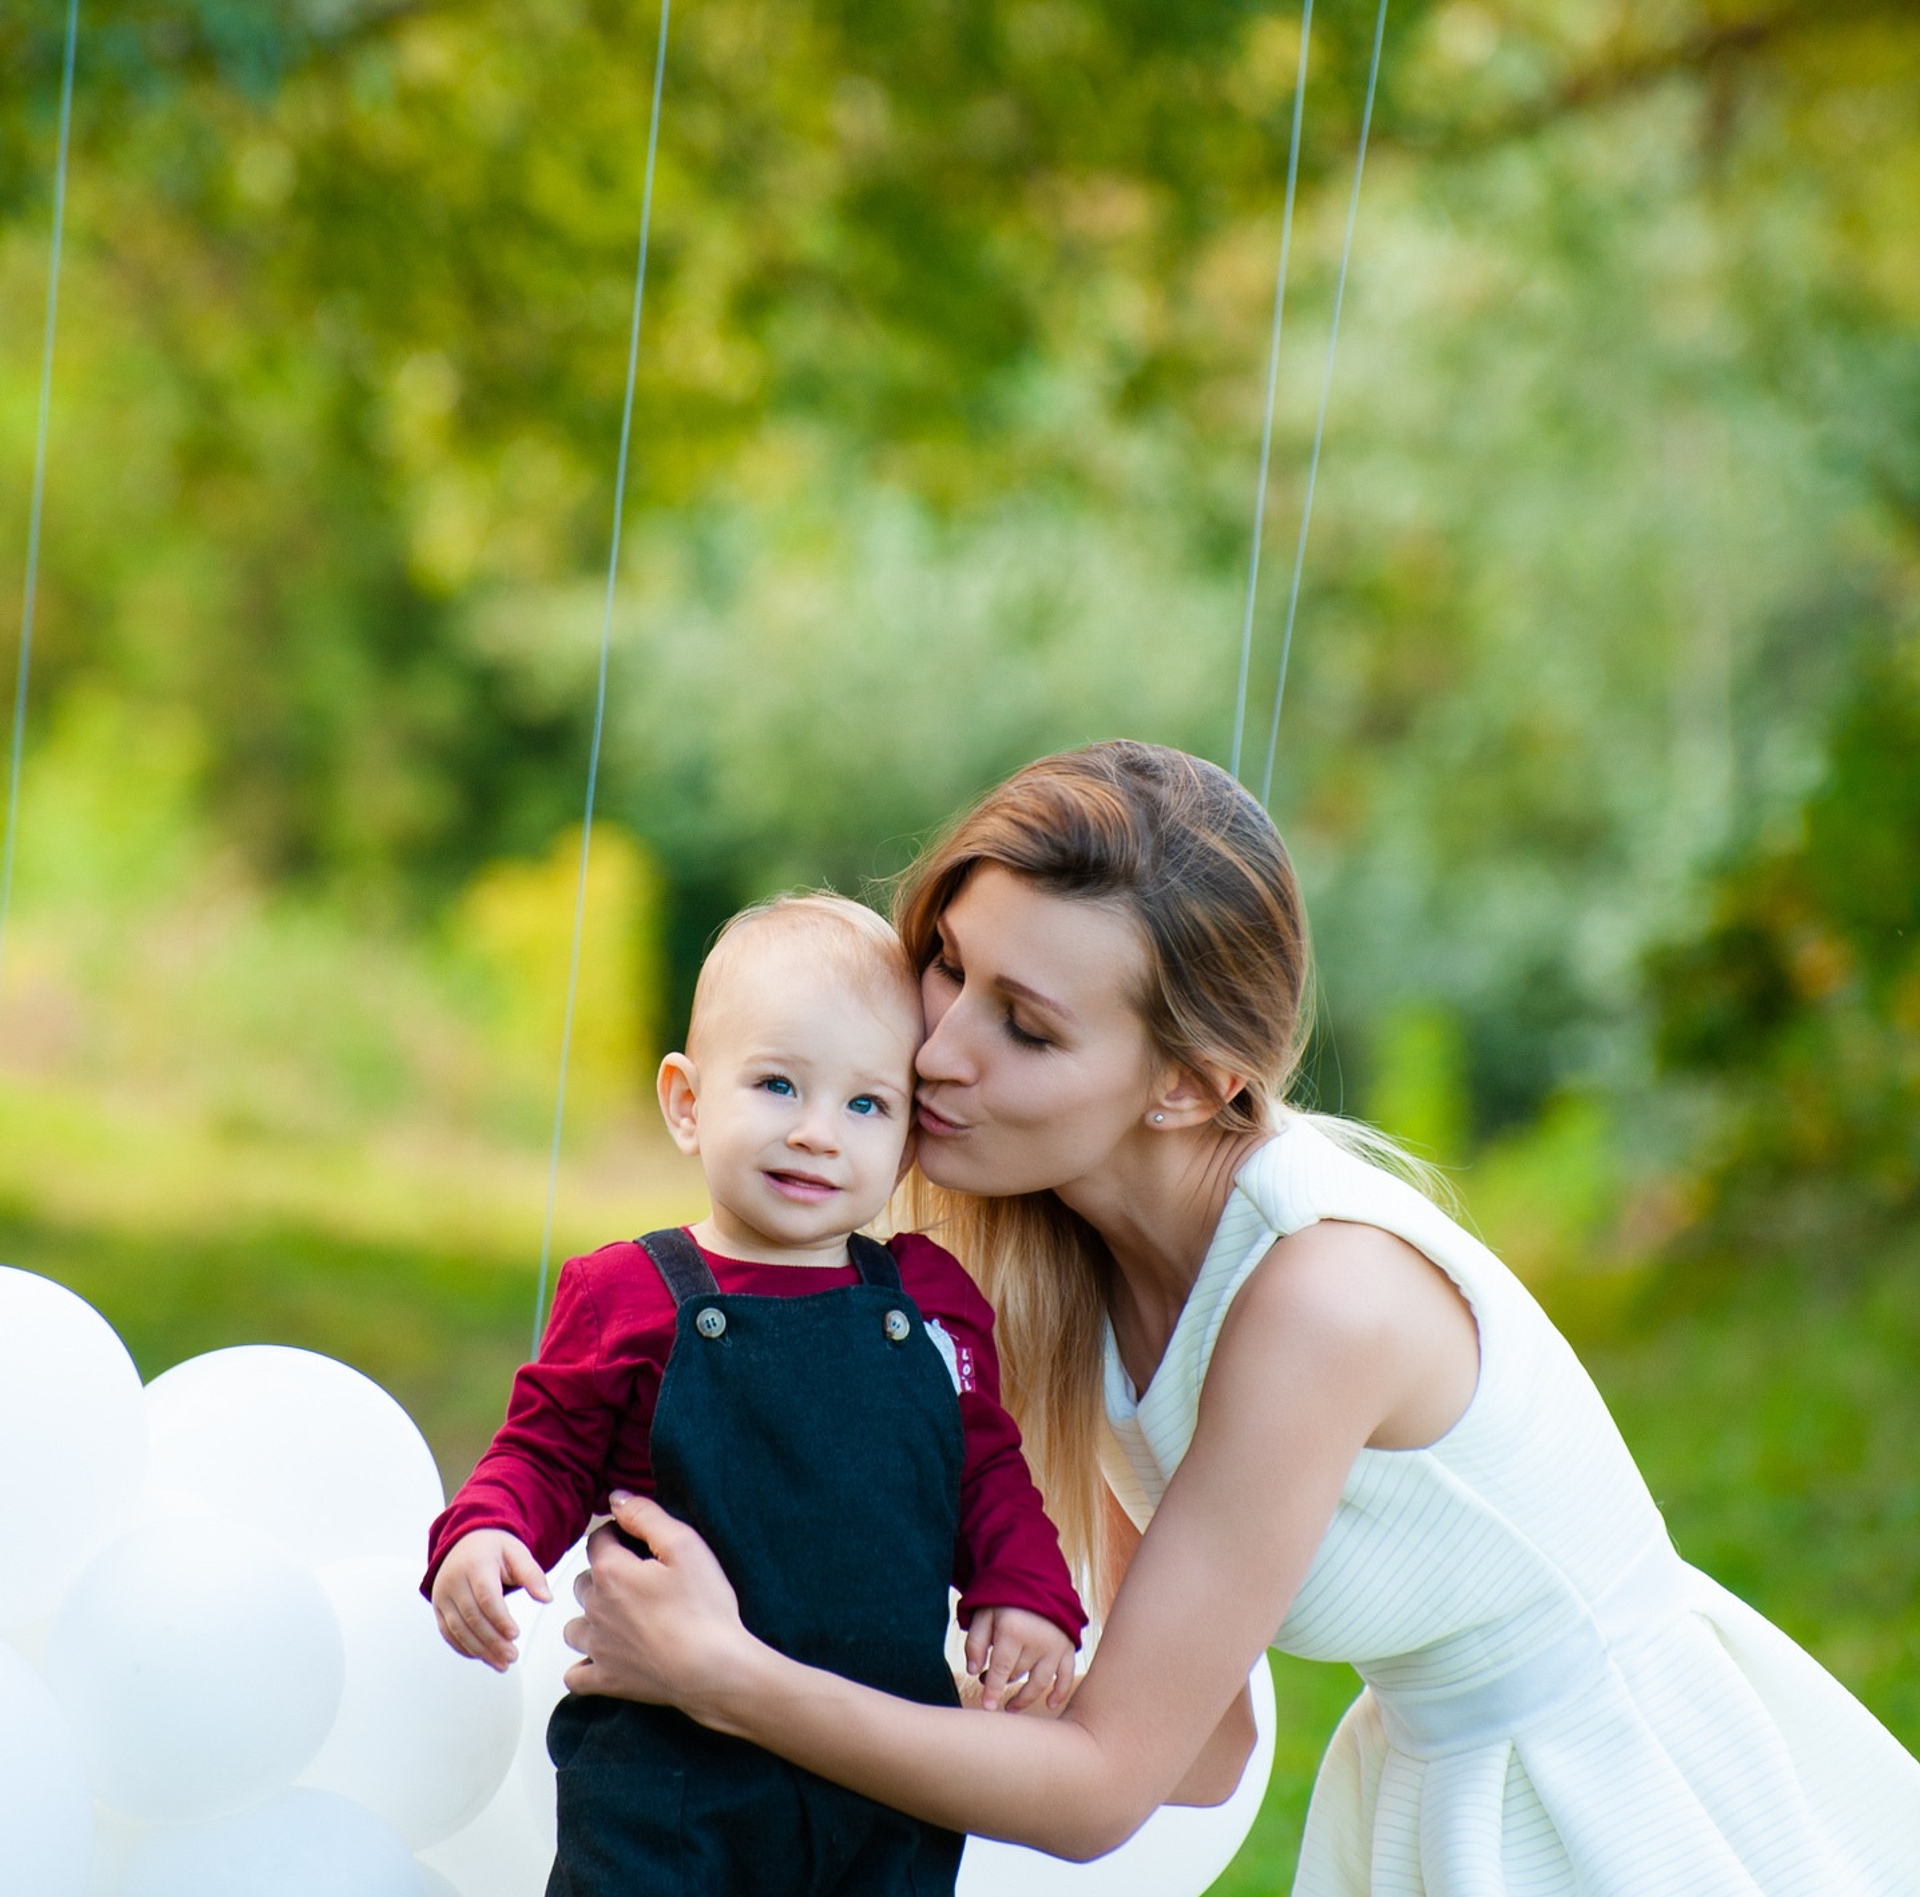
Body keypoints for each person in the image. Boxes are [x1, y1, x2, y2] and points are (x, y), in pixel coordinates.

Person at [557, 740, 1920, 1896]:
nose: (938, 1050)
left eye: (1026, 1027)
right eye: (948, 968)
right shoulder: (1059, 1260)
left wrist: (724, 1674)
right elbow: (1188, 1738)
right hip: (1424, 1779)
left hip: (1603, 1803)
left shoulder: (1321, 1299)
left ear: (1187, 1087)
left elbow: (1099, 1788)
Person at [423, 893, 1085, 1897]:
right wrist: (485, 1528)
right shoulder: (631, 1292)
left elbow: (983, 1469)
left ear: (907, 1142)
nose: (819, 1134)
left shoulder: (932, 1300)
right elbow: (545, 1450)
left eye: (866, 1105)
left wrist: (1025, 1593)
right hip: (667, 1778)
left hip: (883, 1764)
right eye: (778, 1085)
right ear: (688, 1102)